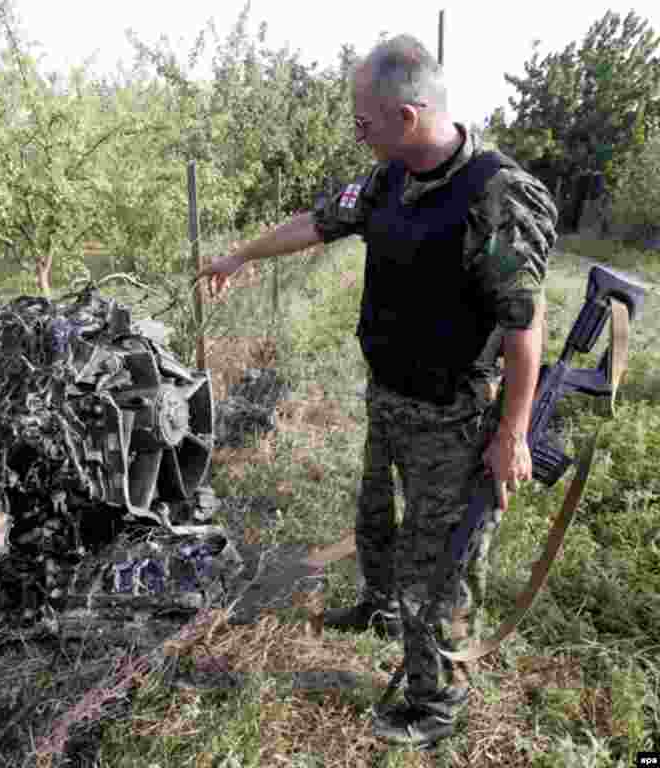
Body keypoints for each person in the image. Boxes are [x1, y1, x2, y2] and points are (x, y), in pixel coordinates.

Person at [197, 35, 557, 747]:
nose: (356, 133)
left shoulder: (495, 193)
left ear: (411, 113)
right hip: (389, 395)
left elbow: (525, 325)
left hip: (454, 413)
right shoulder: (389, 177)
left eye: (364, 121)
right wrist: (239, 255)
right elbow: (316, 222)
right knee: (376, 521)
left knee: (442, 560)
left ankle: (434, 702)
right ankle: (380, 608)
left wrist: (511, 433)